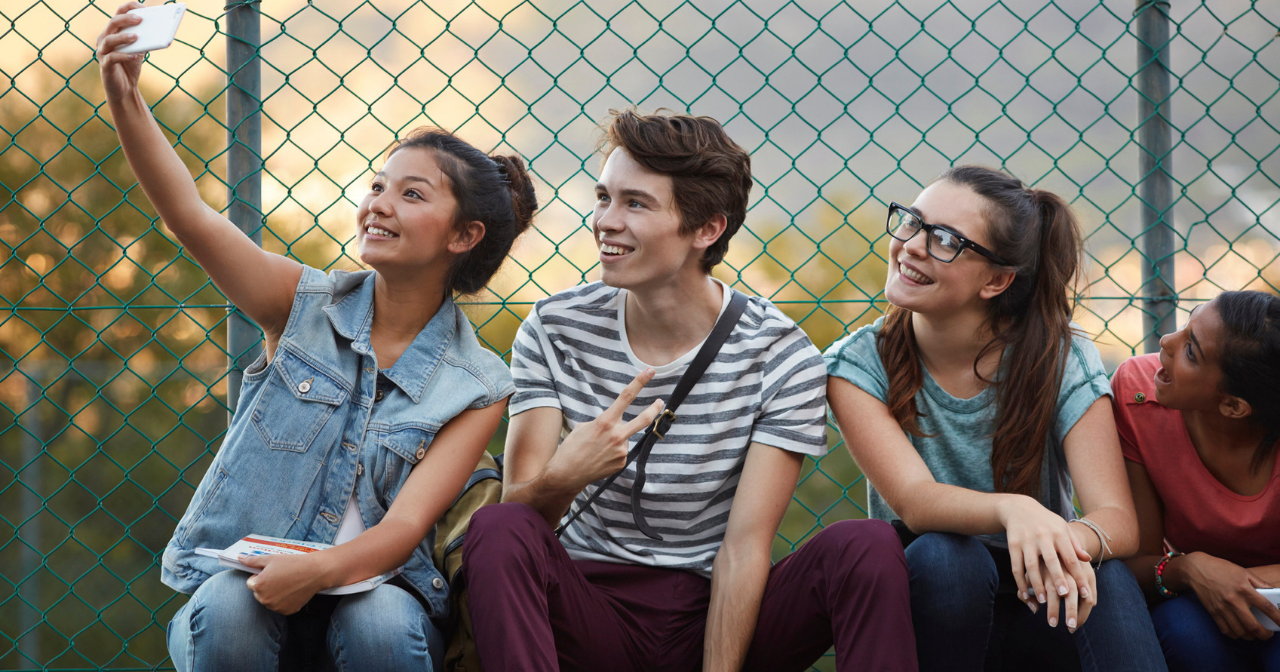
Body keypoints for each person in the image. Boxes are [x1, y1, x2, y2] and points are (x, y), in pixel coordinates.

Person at [97, 5, 536, 671]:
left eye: (411, 195)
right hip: (255, 585)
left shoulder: (479, 385)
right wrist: (124, 96)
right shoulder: (301, 305)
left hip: (375, 592)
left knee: (382, 622)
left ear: (463, 235)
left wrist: (322, 572)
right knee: (228, 609)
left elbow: (404, 530)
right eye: (377, 186)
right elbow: (190, 216)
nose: (379, 204)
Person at [458, 109, 915, 672]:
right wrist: (564, 476)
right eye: (604, 197)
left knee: (865, 548)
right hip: (587, 608)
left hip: (715, 612)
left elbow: (745, 548)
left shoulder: (780, 355)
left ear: (707, 229)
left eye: (636, 204)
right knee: (497, 527)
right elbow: (520, 524)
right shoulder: (554, 328)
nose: (606, 221)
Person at [824, 166, 1166, 672]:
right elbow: (917, 503)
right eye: (912, 222)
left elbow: (1117, 521)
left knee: (1104, 571)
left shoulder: (1060, 354)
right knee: (946, 556)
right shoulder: (857, 365)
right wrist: (1015, 511)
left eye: (945, 240)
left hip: (1047, 606)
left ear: (997, 280)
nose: (913, 246)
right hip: (938, 606)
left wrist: (1059, 542)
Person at [1114, 290, 1280, 671]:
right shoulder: (1138, 395)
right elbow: (1134, 565)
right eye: (1188, 321)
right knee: (1185, 634)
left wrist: (1235, 582)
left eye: (1191, 351)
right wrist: (1192, 569)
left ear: (1233, 406)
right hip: (1194, 603)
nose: (1166, 342)